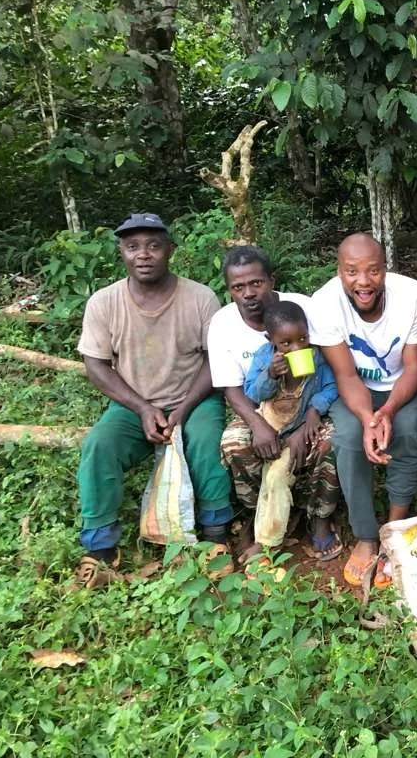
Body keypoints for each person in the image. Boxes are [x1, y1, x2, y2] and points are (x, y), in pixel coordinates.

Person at [75, 213, 233, 587]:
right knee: (99, 447)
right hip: (132, 403)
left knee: (208, 444)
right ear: (122, 254)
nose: (142, 254)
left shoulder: (200, 298)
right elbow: (96, 363)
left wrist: (180, 411)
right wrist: (143, 409)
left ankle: (216, 534)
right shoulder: (104, 302)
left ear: (170, 251)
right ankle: (100, 548)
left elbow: (216, 360)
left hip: (193, 399)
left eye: (153, 245)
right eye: (132, 247)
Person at [208, 246, 340, 560]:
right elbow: (240, 390)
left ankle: (319, 516)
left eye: (256, 283)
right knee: (234, 443)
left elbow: (332, 375)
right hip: (263, 411)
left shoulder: (303, 310)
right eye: (238, 287)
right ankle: (261, 516)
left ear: (271, 280)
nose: (249, 293)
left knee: (334, 441)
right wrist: (260, 425)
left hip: (308, 411)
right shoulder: (226, 327)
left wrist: (313, 413)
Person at [312, 233, 417, 587]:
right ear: (339, 272)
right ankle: (366, 535)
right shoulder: (324, 303)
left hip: (402, 389)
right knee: (347, 437)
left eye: (373, 271)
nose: (363, 282)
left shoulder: (412, 296)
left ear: (385, 269)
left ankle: (395, 527)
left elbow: (413, 367)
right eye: (352, 272)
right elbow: (345, 373)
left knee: (408, 431)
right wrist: (367, 418)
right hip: (355, 392)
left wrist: (389, 410)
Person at [242, 301, 339, 562]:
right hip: (273, 427)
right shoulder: (264, 357)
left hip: (302, 425)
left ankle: (272, 540)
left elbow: (331, 387)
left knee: (276, 476)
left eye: (302, 339)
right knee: (269, 476)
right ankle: (261, 529)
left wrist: (314, 409)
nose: (297, 347)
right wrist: (270, 375)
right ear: (270, 339)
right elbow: (252, 393)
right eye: (286, 343)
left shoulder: (317, 357)